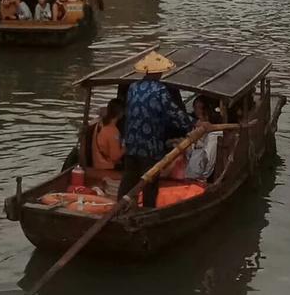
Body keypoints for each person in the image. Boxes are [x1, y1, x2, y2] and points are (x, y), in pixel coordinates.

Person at [117, 51, 200, 208]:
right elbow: (173, 114)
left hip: (131, 142)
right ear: (157, 72)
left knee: (129, 178)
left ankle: (119, 207)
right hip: (150, 145)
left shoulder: (133, 87)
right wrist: (192, 124)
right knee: (150, 182)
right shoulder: (159, 90)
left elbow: (131, 113)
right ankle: (148, 209)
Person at [184, 96, 222, 181]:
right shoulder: (194, 124)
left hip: (201, 170)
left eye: (199, 108)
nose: (197, 111)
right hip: (193, 166)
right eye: (195, 108)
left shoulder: (213, 134)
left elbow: (207, 158)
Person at [92, 98, 125, 170]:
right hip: (107, 167)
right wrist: (125, 148)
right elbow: (115, 157)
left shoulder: (99, 124)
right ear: (120, 113)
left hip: (97, 163)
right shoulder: (113, 131)